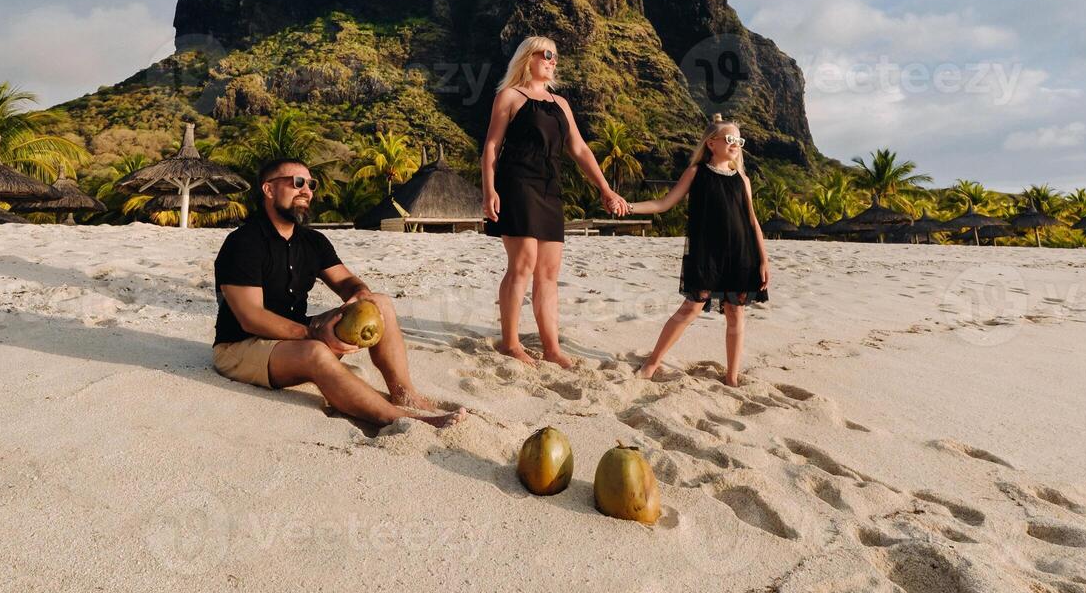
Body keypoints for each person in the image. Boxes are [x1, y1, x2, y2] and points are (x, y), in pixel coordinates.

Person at [211, 157, 465, 428]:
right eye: (296, 182)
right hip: (241, 345)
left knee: (379, 303)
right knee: (316, 353)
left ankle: (405, 394)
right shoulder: (244, 243)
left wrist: (359, 295)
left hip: (294, 336)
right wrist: (314, 333)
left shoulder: (312, 241)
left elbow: (346, 282)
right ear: (269, 189)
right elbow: (251, 317)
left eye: (311, 184)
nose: (306, 190)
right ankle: (396, 418)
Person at [481, 36, 628, 368]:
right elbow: (491, 147)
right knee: (523, 263)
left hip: (550, 188)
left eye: (555, 56)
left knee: (548, 271)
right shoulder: (510, 96)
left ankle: (551, 348)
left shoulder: (560, 103)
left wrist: (606, 188)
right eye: (547, 54)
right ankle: (510, 343)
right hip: (517, 182)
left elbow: (579, 149)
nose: (552, 60)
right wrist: (489, 190)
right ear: (527, 57)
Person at [624, 115, 770, 387]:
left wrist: (763, 259)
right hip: (707, 254)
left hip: (741, 254)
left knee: (736, 312)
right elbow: (664, 204)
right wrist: (628, 206)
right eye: (730, 139)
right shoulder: (696, 173)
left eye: (739, 140)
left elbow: (753, 221)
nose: (736, 144)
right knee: (691, 306)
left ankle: (732, 376)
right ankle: (653, 361)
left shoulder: (742, 178)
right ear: (711, 143)